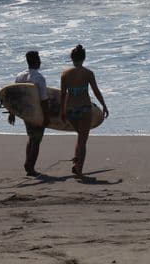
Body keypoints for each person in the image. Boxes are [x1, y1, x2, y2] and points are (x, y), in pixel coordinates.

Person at [59, 44, 109, 177]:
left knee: (80, 139)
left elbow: (63, 95)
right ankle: (79, 169)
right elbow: (96, 91)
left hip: (70, 110)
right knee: (82, 140)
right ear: (84, 58)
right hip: (85, 109)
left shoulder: (65, 74)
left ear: (72, 58)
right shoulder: (88, 73)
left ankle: (77, 164)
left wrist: (62, 112)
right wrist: (104, 105)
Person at [15, 50, 50, 176]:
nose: (40, 61)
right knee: (37, 140)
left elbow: (15, 96)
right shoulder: (39, 78)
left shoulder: (20, 76)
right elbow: (44, 100)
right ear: (35, 61)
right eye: (39, 59)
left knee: (31, 137)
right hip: (37, 113)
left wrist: (12, 113)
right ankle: (30, 168)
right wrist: (46, 117)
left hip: (25, 113)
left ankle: (28, 163)